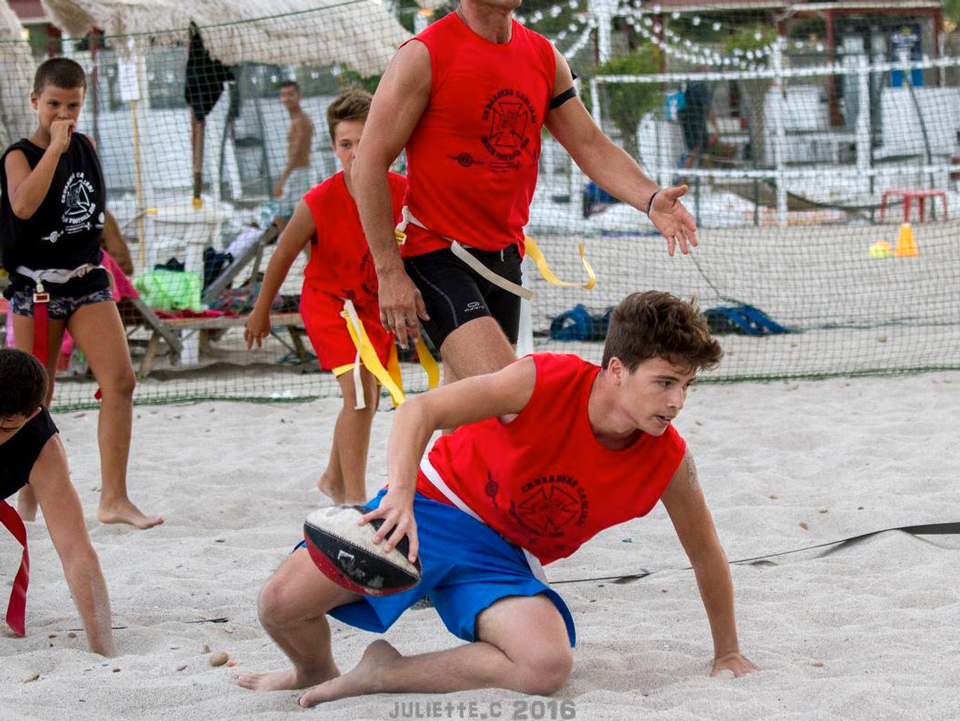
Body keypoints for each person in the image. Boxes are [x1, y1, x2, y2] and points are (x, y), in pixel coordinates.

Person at [238, 291, 759, 706]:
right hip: (432, 509)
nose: (677, 402)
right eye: (665, 382)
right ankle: (313, 670)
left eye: (687, 385)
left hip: (504, 555)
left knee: (545, 667)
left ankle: (385, 672)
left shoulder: (670, 460)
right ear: (618, 369)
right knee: (278, 605)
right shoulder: (544, 379)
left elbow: (706, 554)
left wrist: (728, 651)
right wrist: (399, 495)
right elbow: (419, 411)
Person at [354, 0, 700, 389]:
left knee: (470, 411)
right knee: (510, 394)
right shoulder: (423, 54)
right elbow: (367, 161)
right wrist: (389, 272)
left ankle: (429, 448)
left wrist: (651, 199)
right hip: (439, 253)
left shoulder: (543, 55)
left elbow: (589, 144)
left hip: (505, 256)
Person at [0, 57, 162, 529]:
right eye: (53, 104)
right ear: (35, 102)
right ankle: (27, 491)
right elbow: (24, 205)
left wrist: (117, 247)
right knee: (35, 395)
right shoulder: (19, 153)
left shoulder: (86, 145)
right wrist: (53, 148)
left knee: (121, 382)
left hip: (86, 278)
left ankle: (114, 498)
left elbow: (92, 205)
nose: (63, 114)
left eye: (72, 104)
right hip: (36, 286)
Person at [245, 89, 406, 505]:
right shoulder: (318, 201)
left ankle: (334, 479)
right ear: (334, 148)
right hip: (328, 302)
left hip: (373, 307)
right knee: (357, 393)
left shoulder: (404, 191)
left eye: (364, 141)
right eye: (345, 144)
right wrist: (260, 311)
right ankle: (353, 501)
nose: (355, 153)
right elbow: (281, 257)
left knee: (367, 401)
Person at [0, 348, 114, 654]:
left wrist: (103, 652)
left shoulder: (43, 448)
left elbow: (77, 552)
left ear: (33, 414)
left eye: (5, 428)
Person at [273, 81, 315, 231]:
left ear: (299, 96)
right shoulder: (296, 119)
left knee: (283, 219)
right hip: (297, 174)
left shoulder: (302, 120)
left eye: (291, 94)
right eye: (283, 95)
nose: (287, 98)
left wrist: (282, 180)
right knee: (291, 222)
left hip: (298, 174)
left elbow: (297, 154)